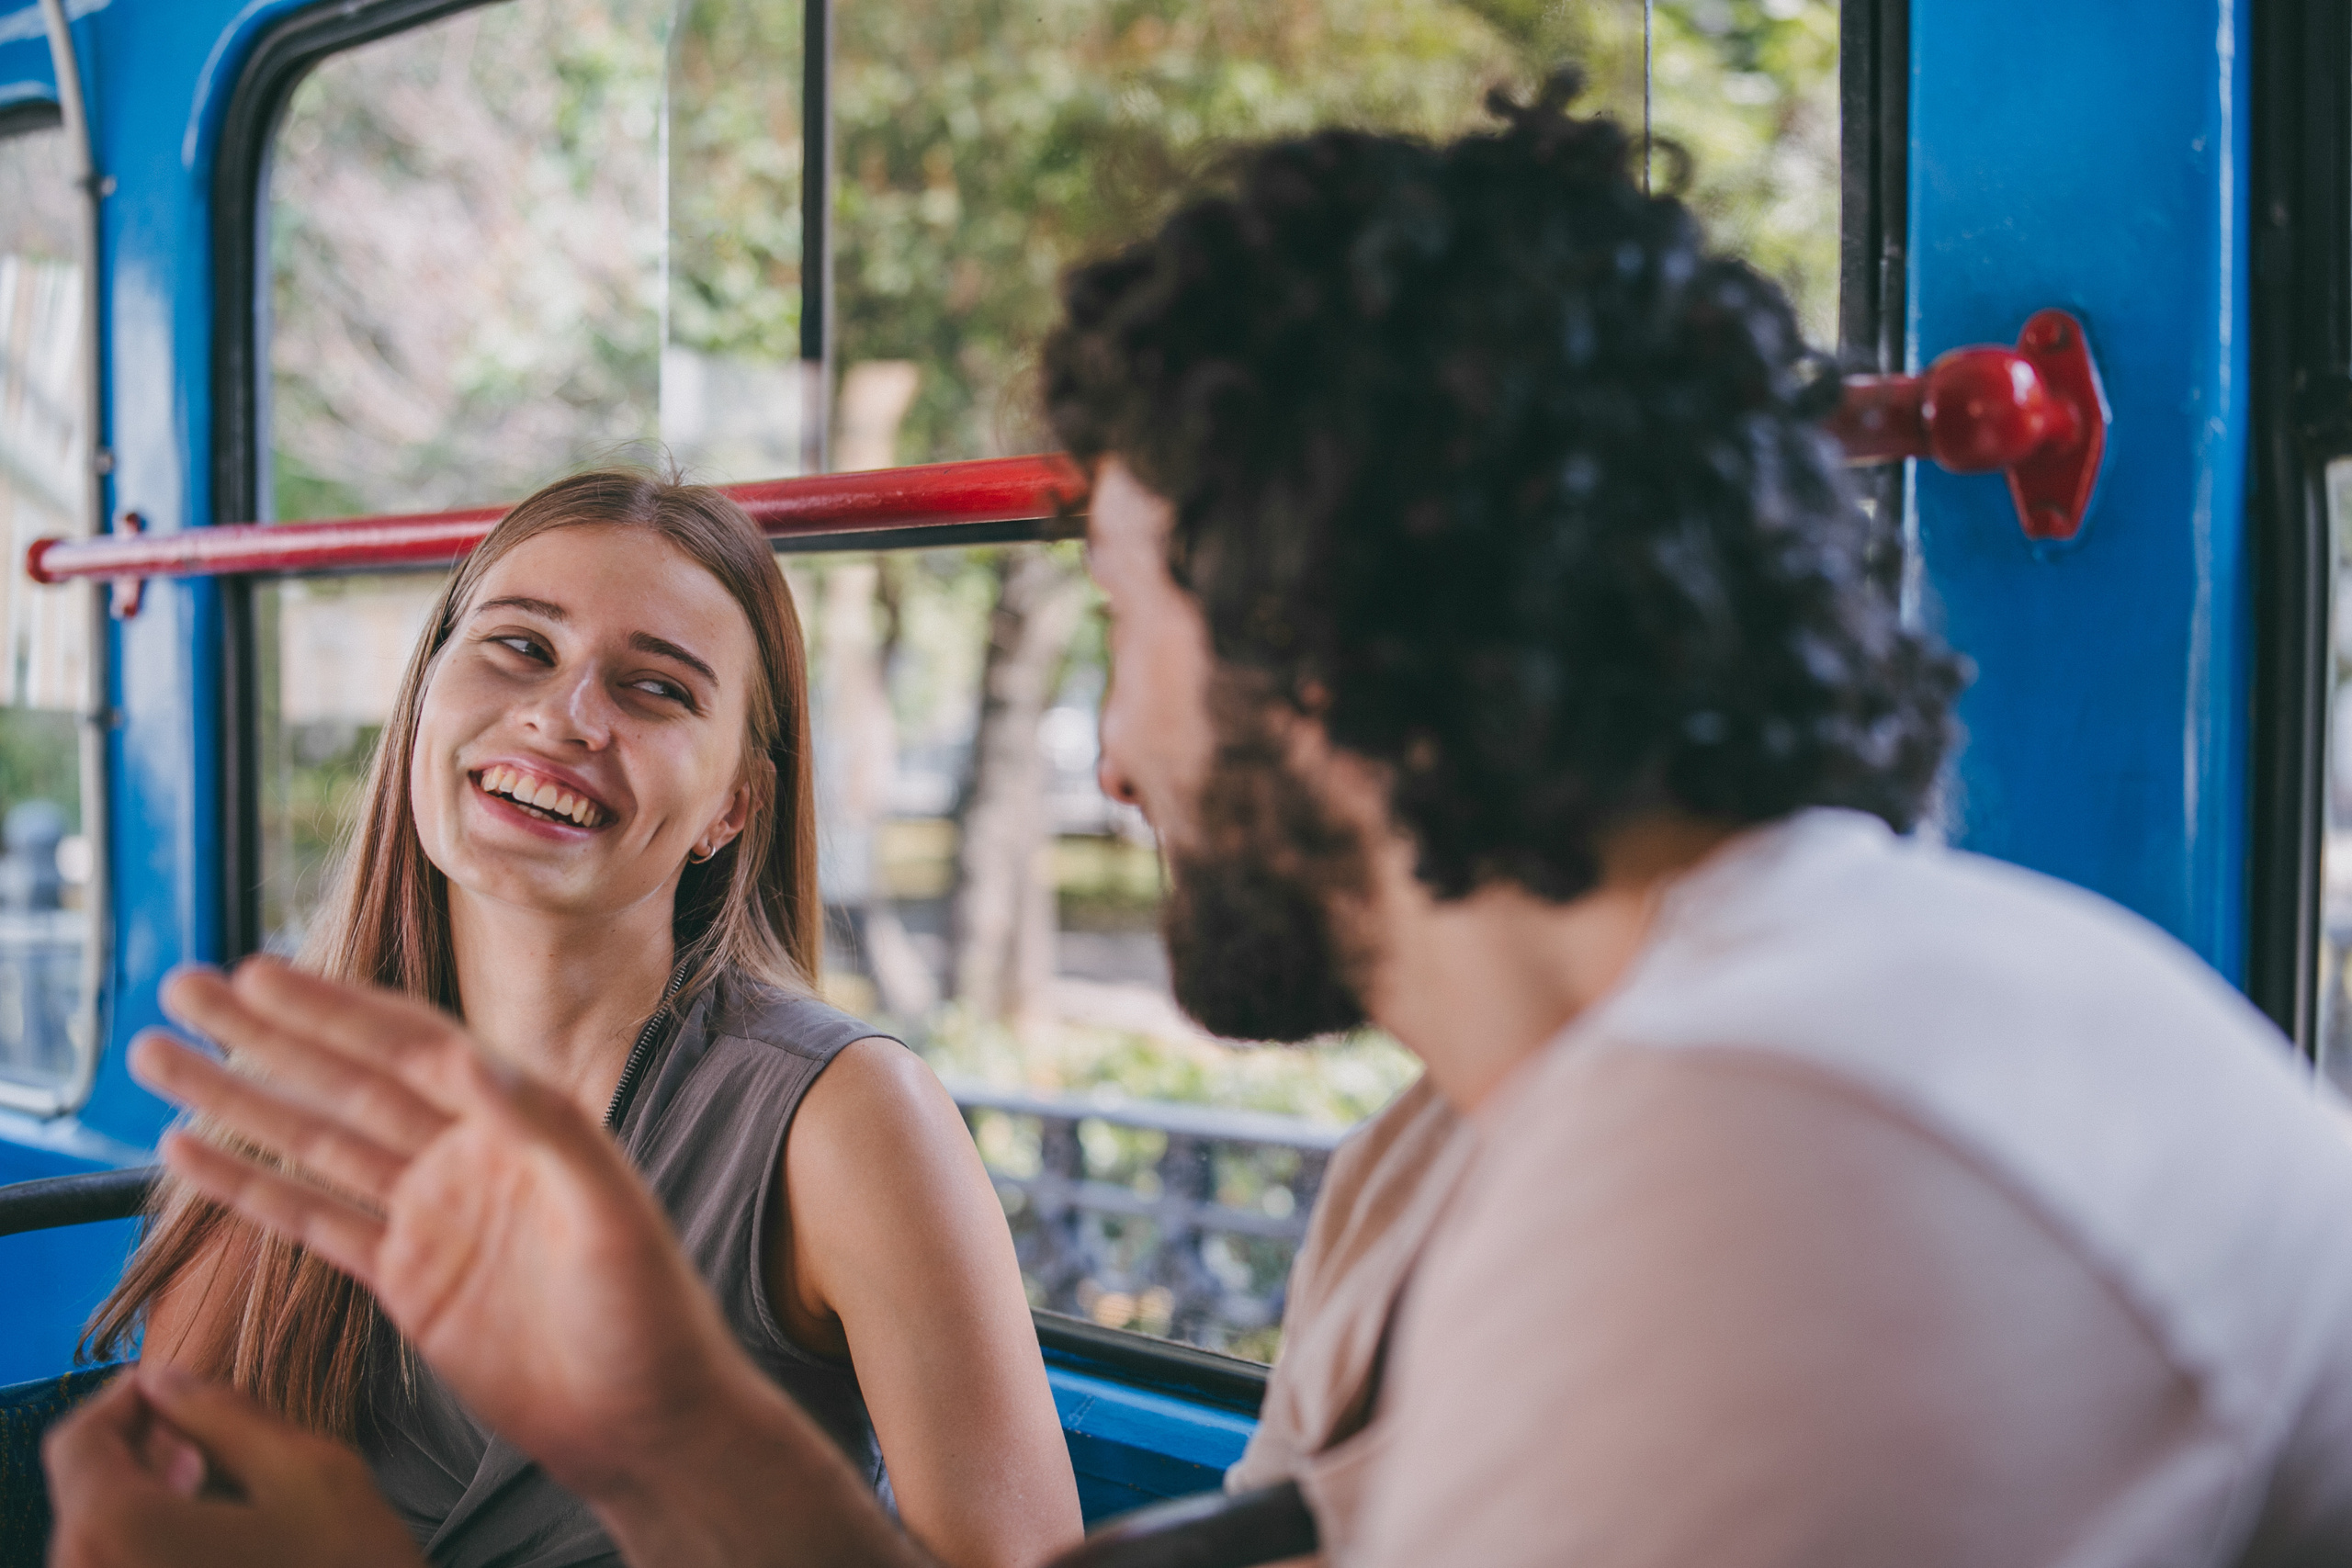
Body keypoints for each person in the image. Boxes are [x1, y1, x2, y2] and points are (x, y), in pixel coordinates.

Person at [46, 76, 2352, 1566]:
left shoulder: (1792, 1178)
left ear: (1324, 641)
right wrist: (661, 1416)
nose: (1118, 759)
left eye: (1128, 616)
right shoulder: (1471, 1143)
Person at [66, 469, 1080, 1568]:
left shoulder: (848, 1118)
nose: (564, 715)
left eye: (656, 690)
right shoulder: (296, 1089)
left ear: (733, 805)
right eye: (521, 647)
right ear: (425, 697)